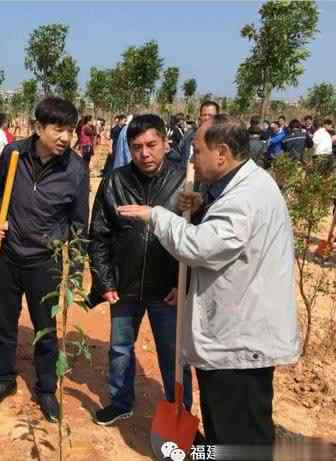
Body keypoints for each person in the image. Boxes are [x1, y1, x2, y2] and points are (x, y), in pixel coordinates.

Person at [119, 114, 299, 457]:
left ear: (222, 153)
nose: (191, 158)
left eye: (197, 151)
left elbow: (200, 246)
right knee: (226, 431)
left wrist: (155, 215)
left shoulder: (244, 198)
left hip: (240, 344)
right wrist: (205, 205)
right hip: (234, 335)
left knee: (239, 435)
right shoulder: (244, 186)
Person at [0, 97, 89, 422]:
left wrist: (73, 273)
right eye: (58, 129)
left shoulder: (75, 169)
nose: (65, 137)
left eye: (70, 130)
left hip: (45, 262)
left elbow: (78, 225)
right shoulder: (13, 154)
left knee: (45, 328)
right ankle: (3, 379)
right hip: (7, 255)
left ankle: (45, 389)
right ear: (38, 127)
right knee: (4, 322)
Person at [88, 114, 192, 425]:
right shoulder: (115, 181)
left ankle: (180, 413)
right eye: (136, 147)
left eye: (151, 145)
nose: (144, 153)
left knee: (174, 357)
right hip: (125, 286)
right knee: (120, 349)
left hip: (167, 289)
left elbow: (196, 238)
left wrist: (182, 284)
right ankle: (120, 401)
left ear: (165, 142)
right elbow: (99, 236)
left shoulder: (184, 182)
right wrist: (105, 280)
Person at [175, 100, 219, 168]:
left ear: (218, 117)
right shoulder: (189, 135)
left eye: (210, 115)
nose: (207, 118)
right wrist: (168, 151)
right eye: (204, 115)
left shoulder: (222, 138)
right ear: (200, 117)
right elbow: (178, 155)